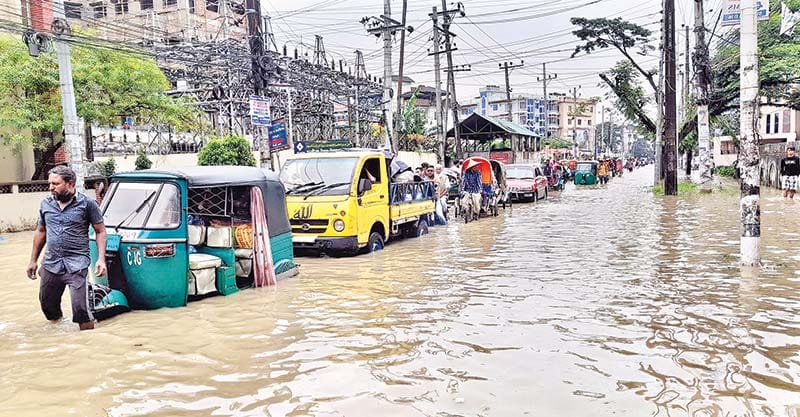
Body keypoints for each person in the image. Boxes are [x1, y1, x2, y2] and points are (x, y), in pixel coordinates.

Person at [27, 166, 107, 331]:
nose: (51, 187)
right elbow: (41, 231)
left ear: (70, 184)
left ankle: (87, 344)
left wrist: (101, 259)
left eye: (55, 183)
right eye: (50, 183)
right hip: (51, 263)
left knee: (80, 310)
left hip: (76, 265)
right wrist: (33, 260)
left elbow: (100, 231)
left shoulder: (88, 204)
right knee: (48, 307)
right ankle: (59, 334)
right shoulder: (46, 203)